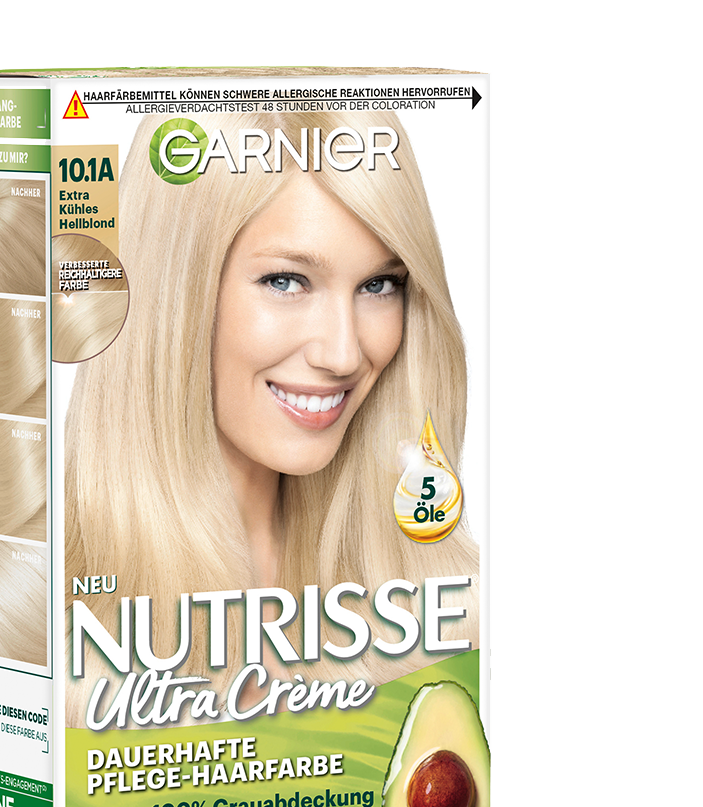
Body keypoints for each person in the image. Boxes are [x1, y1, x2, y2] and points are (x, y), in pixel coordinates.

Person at [64, 109, 479, 725]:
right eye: (287, 281)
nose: (344, 354)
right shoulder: (45, 629)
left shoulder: (446, 610)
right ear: (175, 294)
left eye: (378, 286)